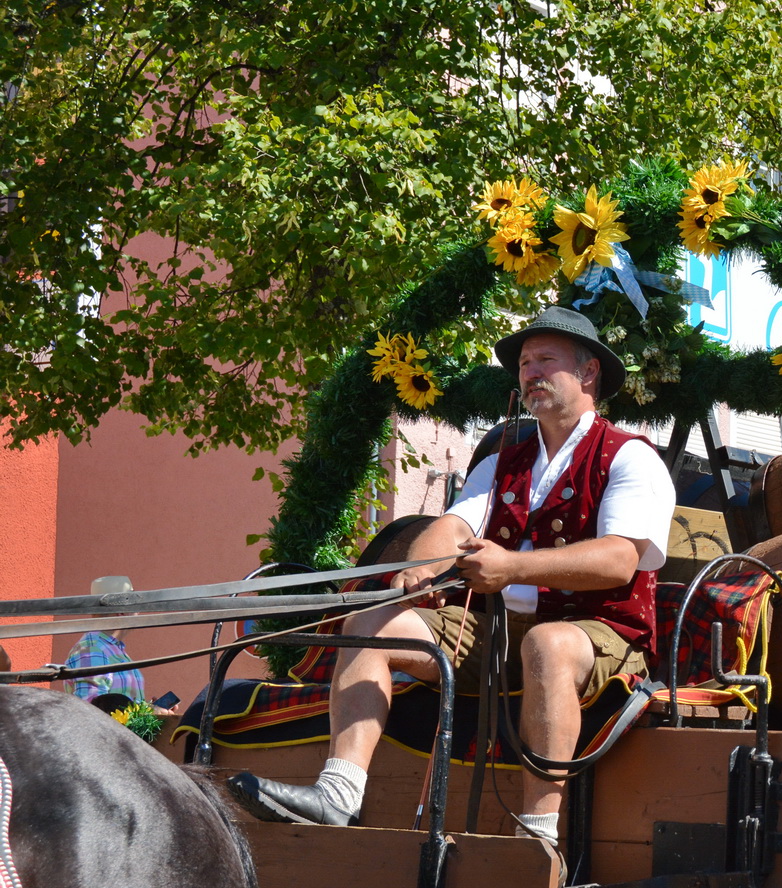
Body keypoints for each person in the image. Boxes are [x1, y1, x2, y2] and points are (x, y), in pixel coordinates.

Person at [228, 307, 675, 840]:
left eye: (545, 359)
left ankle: (538, 832)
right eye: (524, 362)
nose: (529, 371)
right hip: (500, 633)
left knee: (549, 645)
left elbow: (618, 559)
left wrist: (510, 567)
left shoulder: (630, 456)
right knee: (373, 620)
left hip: (602, 632)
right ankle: (337, 795)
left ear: (587, 373)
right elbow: (452, 527)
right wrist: (418, 575)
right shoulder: (503, 460)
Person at [62, 576, 146, 704]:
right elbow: (92, 709)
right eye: (136, 606)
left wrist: (150, 710)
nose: (138, 613)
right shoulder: (93, 649)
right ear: (122, 611)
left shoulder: (108, 647)